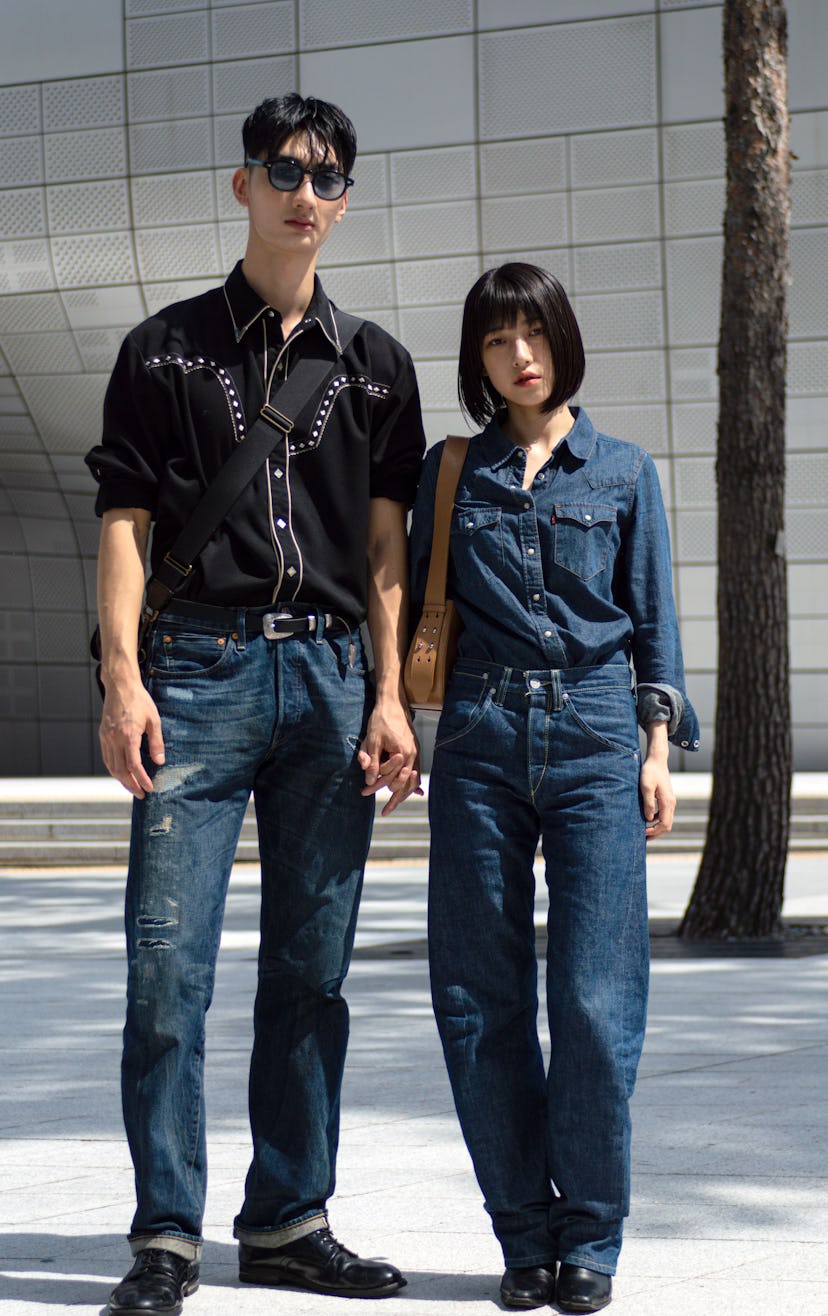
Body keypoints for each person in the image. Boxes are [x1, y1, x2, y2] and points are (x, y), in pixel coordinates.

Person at [86, 93, 425, 1315]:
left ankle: (286, 1219)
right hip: (199, 674)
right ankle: (167, 1237)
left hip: (333, 682)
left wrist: (391, 696)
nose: (305, 192)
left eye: (328, 175)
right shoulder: (165, 349)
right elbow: (123, 520)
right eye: (283, 170)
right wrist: (122, 677)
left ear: (346, 197)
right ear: (242, 185)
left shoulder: (379, 364)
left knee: (310, 970)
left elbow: (388, 549)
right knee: (166, 970)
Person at [409, 263, 699, 1314]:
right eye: (496, 341)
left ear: (562, 340)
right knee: (478, 998)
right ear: (477, 359)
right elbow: (410, 613)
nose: (517, 355)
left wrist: (655, 748)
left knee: (592, 998)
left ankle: (593, 1236)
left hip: (591, 734)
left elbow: (654, 620)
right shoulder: (455, 474)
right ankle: (522, 1234)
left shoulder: (622, 470)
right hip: (480, 738)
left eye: (532, 334)